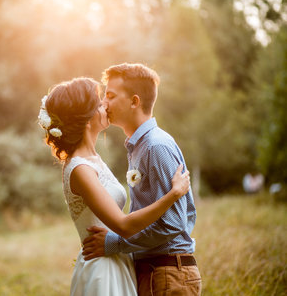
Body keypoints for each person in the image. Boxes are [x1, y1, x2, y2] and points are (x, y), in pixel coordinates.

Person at [38, 77, 191, 295]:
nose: (106, 105)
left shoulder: (93, 159)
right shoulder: (80, 168)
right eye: (100, 103)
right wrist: (173, 194)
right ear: (86, 119)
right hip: (103, 268)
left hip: (118, 262)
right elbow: (123, 225)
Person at [82, 63, 202, 296]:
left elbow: (172, 223)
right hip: (154, 271)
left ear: (134, 101)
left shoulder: (155, 146)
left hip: (168, 273)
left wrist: (115, 243)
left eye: (111, 96)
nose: (104, 103)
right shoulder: (140, 146)